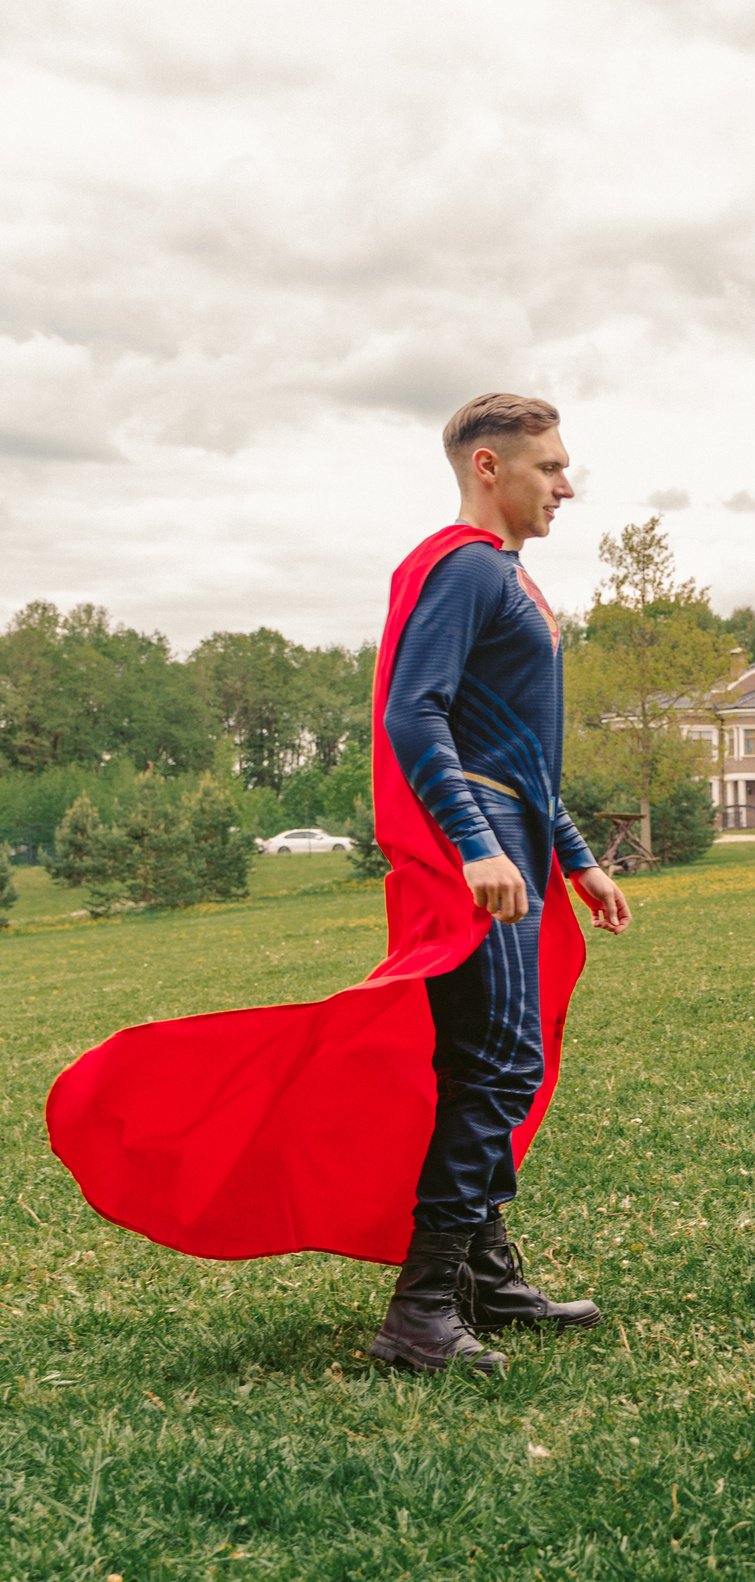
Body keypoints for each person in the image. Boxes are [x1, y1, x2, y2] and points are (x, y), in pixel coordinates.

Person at [47, 392, 631, 1378]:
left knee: (500, 1067)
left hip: (515, 841)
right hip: (479, 851)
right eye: (549, 467)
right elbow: (415, 714)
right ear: (488, 468)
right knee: (492, 1067)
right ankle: (419, 1316)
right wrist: (473, 846)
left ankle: (481, 1276)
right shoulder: (461, 571)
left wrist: (573, 855)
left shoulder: (509, 580)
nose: (566, 486)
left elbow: (524, 745)